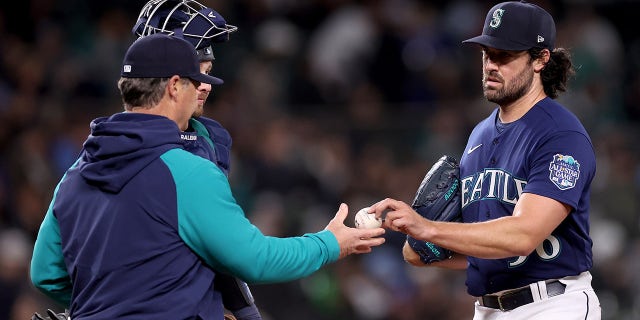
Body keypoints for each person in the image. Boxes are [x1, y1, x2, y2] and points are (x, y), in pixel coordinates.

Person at [29, 33, 385, 319]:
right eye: (195, 81)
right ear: (173, 86)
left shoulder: (74, 174)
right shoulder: (186, 171)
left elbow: (45, 272)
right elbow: (257, 260)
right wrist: (329, 244)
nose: (204, 89)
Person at [368, 1, 601, 319]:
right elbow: (485, 251)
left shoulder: (560, 134)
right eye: (487, 53)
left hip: (552, 304)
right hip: (488, 308)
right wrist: (424, 247)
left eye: (505, 55)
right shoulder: (479, 134)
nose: (491, 64)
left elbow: (523, 236)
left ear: (540, 59)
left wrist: (429, 229)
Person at [133, 1, 262, 319]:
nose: (206, 85)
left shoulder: (211, 139)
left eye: (209, 71)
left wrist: (243, 312)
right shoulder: (108, 147)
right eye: (196, 72)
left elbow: (220, 249)